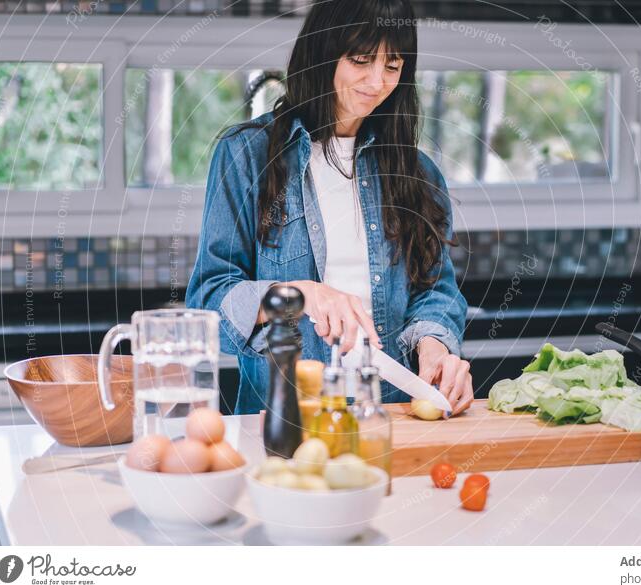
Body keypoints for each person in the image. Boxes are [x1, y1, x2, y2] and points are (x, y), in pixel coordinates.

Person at [186, 0, 473, 416]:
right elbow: (209, 304)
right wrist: (300, 295)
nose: (377, 81)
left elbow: (434, 292)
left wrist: (434, 350)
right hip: (284, 420)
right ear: (323, 54)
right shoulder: (246, 154)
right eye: (360, 60)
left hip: (389, 416)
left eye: (392, 66)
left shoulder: (418, 172)